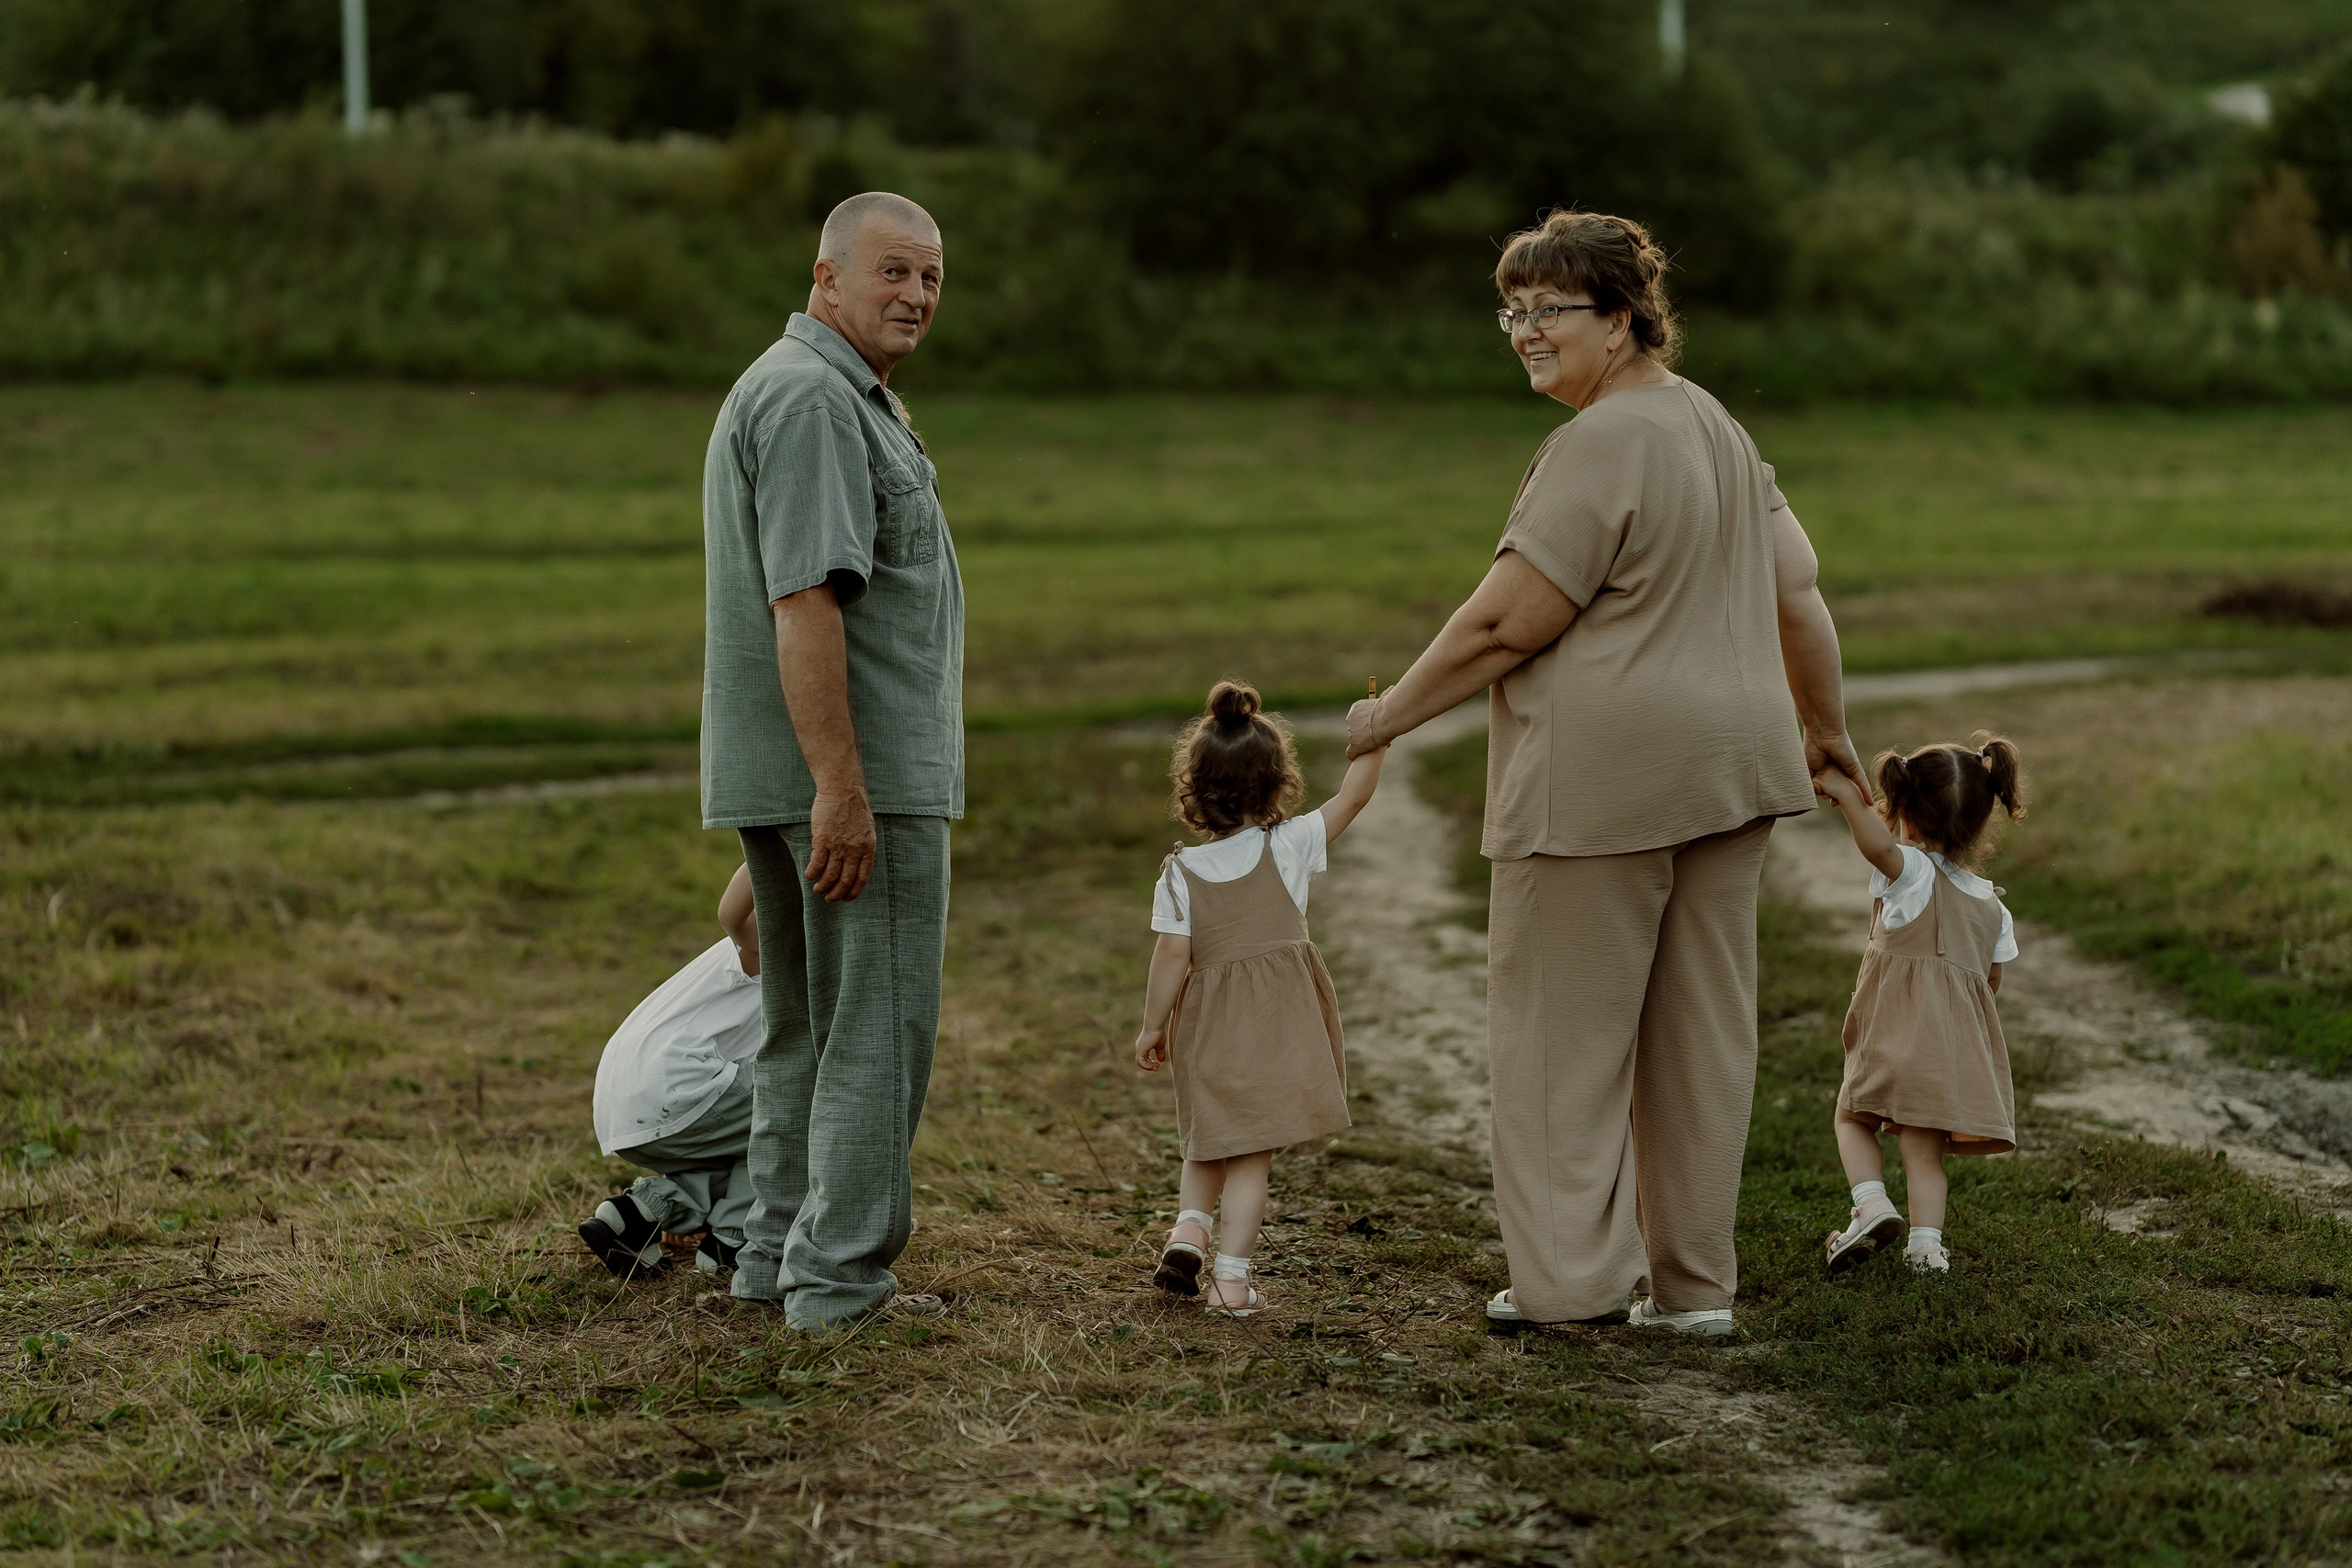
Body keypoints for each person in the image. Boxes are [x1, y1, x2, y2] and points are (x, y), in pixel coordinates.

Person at [1344, 210, 1868, 1337]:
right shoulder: (1716, 426)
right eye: (1512, 311)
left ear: (1625, 318)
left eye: (1550, 311)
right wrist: (1822, 730)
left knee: (1557, 1044)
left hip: (1601, 783)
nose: (1525, 332)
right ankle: (1692, 1294)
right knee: (1700, 1040)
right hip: (1731, 770)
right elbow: (1799, 592)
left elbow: (1506, 624)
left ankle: (1569, 1287)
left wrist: (1387, 714)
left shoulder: (1598, 443)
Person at [699, 190, 962, 1333]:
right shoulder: (812, 399)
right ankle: (840, 1286)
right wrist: (840, 794)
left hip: (807, 777)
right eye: (893, 272)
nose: (915, 296)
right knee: (872, 1028)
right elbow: (804, 602)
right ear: (827, 277)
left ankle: (774, 1262)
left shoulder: (823, 391)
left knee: (802, 1025)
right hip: (861, 782)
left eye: (932, 279)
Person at [1134, 681, 1387, 1315]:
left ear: (1194, 788)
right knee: (1251, 1154)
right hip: (1275, 1025)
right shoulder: (1292, 842)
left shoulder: (1180, 871)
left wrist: (1151, 1026)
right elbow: (1355, 794)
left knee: (1207, 1136)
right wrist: (1375, 737)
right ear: (1278, 784)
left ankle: (1189, 1228)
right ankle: (1232, 1280)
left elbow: (1171, 955)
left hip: (1208, 1024)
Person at [1814, 736, 2030, 1275]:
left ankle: (1871, 1205)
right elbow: (1990, 981)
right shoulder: (1992, 907)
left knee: (1852, 1115)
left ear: (1904, 813)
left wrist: (1845, 793)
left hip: (1891, 1034)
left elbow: (1876, 848)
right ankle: (1927, 1249)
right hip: (1948, 1054)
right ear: (1981, 825)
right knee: (1924, 1153)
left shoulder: (1910, 872)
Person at [579, 865, 764, 1279]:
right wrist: (787, 839)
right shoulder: (786, 936)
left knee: (751, 1134)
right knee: (812, 1111)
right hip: (678, 1086)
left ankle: (639, 1213)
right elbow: (733, 916)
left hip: (627, 1103)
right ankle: (734, 1241)